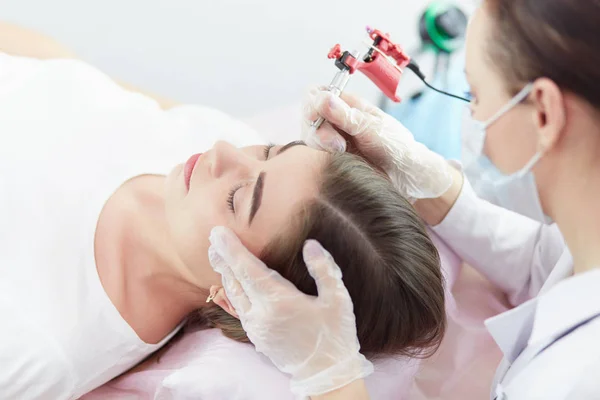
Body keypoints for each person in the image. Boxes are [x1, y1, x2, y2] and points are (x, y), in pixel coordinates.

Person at [0, 24, 448, 400]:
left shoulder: (38, 348)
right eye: (271, 151)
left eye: (238, 199)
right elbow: (58, 68)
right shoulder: (214, 141)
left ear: (243, 296)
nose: (223, 151)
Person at [208, 0, 600, 398]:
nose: (222, 151)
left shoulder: (572, 380)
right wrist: (422, 177)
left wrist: (330, 376)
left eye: (476, 96)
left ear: (545, 115)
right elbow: (544, 259)